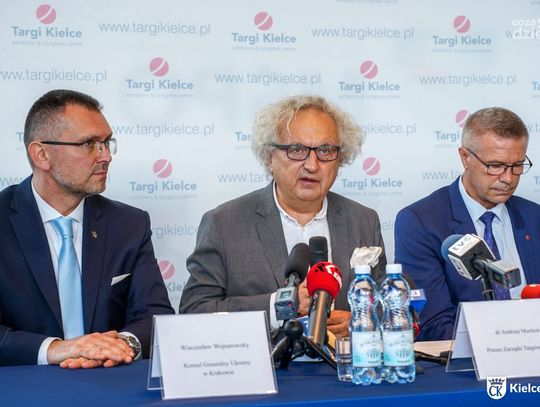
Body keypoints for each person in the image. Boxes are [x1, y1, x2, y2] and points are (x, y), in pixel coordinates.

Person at [179, 95, 387, 338]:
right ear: (269, 157)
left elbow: (389, 304)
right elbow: (195, 311)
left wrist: (362, 319)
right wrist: (281, 306)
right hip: (265, 361)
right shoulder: (224, 224)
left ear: (340, 160)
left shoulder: (363, 220)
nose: (312, 165)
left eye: (325, 150)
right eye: (296, 150)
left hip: (341, 361)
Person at [0, 89, 174, 367]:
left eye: (106, 143)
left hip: (108, 379)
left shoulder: (130, 224)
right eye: (89, 144)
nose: (105, 156)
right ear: (42, 154)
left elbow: (156, 316)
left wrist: (117, 346)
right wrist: (55, 349)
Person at [394, 107, 540, 341]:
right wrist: (504, 345)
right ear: (465, 157)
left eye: (517, 165)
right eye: (495, 165)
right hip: (466, 358)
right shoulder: (420, 222)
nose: (508, 178)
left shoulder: (534, 217)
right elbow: (433, 324)